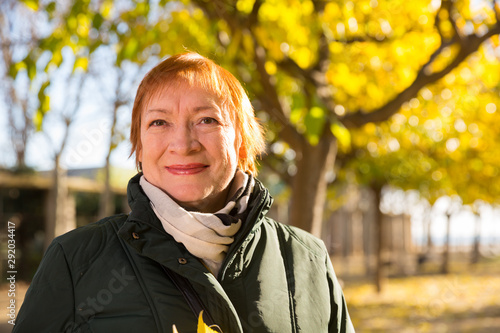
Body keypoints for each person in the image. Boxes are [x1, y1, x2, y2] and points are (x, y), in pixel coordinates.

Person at [13, 52, 354, 333]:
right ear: (140, 147)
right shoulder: (74, 262)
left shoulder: (308, 260)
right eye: (159, 122)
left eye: (206, 120)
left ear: (240, 139)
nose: (183, 144)